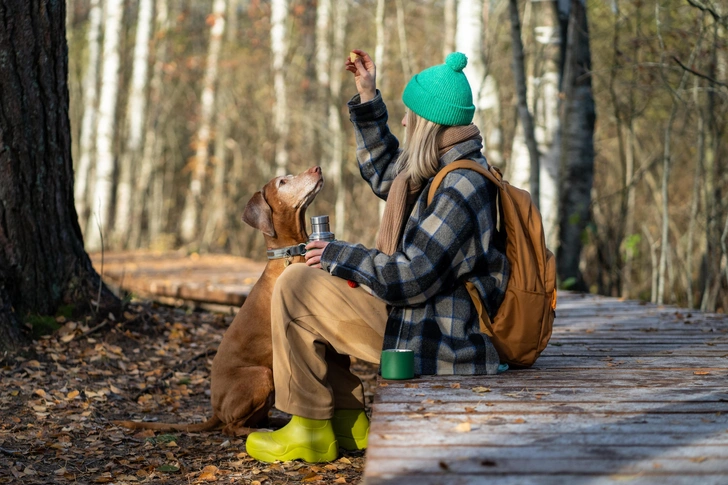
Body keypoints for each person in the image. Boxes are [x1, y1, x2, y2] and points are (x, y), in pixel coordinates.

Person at [245, 49, 509, 464]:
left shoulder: (461, 186)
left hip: (444, 341)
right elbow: (388, 174)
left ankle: (310, 428)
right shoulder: (442, 167)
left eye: (410, 115)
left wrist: (341, 255)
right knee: (302, 281)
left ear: (429, 124)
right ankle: (348, 422)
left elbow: (413, 275)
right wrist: (367, 97)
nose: (403, 121)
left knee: (297, 288)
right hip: (422, 320)